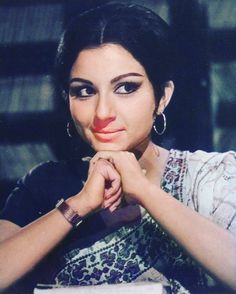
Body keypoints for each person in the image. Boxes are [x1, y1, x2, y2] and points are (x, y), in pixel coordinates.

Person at [0, 2, 236, 294]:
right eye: (84, 91)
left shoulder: (210, 178)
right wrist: (80, 205)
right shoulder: (42, 185)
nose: (102, 113)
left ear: (162, 96)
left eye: (126, 88)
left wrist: (145, 192)